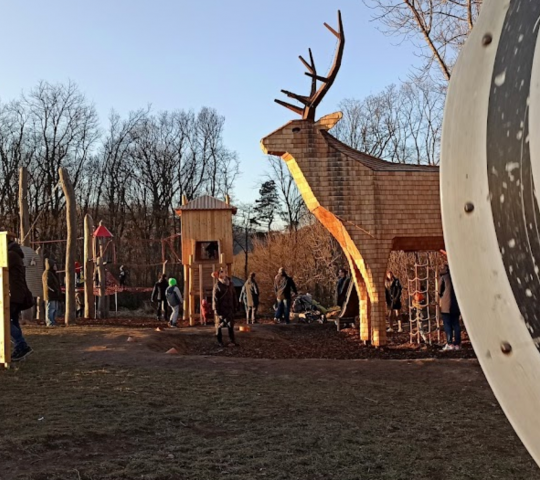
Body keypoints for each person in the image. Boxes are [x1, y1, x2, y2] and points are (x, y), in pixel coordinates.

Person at [7, 232, 33, 361]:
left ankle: (21, 345)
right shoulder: (14, 254)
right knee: (13, 320)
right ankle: (20, 348)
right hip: (16, 294)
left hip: (13, 294)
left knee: (4, 322)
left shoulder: (10, 255)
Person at [439, 264, 461, 351]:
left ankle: (449, 343)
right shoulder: (456, 277)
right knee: (456, 324)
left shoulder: (443, 277)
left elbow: (440, 290)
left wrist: (441, 296)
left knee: (447, 324)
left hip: (446, 306)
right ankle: (457, 343)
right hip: (456, 305)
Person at [213, 269, 238, 346]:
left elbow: (234, 295)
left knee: (230, 325)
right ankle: (219, 341)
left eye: (225, 272)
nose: (224, 273)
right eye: (222, 272)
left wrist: (236, 305)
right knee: (219, 325)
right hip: (221, 308)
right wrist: (215, 309)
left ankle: (232, 340)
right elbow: (215, 299)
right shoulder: (217, 285)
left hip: (229, 307)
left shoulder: (230, 284)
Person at [42, 258, 62, 327]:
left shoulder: (53, 273)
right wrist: (54, 290)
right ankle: (50, 322)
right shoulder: (47, 273)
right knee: (51, 308)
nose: (55, 266)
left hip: (54, 294)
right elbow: (48, 284)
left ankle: (53, 321)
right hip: (50, 295)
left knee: (55, 309)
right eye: (54, 265)